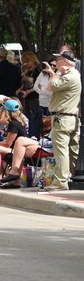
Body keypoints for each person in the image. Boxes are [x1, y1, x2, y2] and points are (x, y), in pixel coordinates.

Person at [43, 50, 81, 192]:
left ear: (65, 62)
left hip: (62, 117)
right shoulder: (74, 75)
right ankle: (74, 176)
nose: (55, 62)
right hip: (69, 118)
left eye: (58, 60)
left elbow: (49, 87)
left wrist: (55, 73)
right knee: (72, 150)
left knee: (61, 151)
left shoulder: (68, 77)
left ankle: (61, 181)